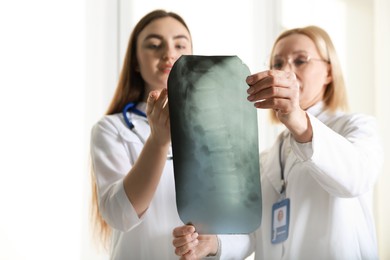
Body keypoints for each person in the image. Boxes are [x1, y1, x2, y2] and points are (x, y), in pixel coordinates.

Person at [172, 25, 383, 259]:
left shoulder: (357, 127)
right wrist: (214, 244)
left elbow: (355, 179)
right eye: (278, 63)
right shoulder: (269, 156)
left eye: (301, 60)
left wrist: (297, 117)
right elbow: (256, 233)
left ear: (329, 73)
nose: (287, 71)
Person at [89, 9, 198, 259]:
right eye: (154, 45)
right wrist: (158, 143)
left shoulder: (215, 129)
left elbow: (236, 227)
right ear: (136, 62)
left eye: (180, 44)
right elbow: (120, 214)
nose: (169, 53)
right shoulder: (111, 129)